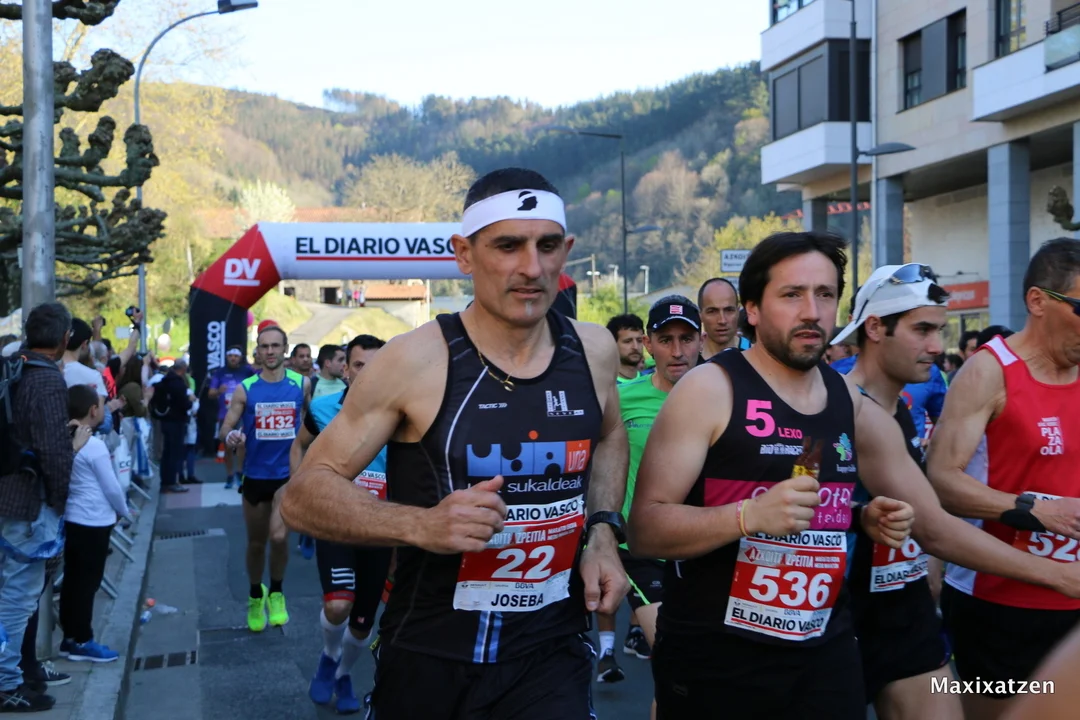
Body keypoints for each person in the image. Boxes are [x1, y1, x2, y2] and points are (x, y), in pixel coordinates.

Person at [283, 167, 630, 720]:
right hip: (432, 654)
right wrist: (419, 525)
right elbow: (302, 496)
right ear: (464, 254)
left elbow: (609, 433)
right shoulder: (414, 360)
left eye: (546, 246)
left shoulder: (593, 351)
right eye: (508, 246)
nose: (531, 268)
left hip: (550, 652)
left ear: (566, 251)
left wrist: (603, 532)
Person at [628, 231, 925, 719]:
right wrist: (747, 517)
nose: (812, 311)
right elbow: (645, 529)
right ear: (753, 310)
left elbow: (799, 496)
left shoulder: (843, 397)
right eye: (792, 295)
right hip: (719, 663)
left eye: (825, 294)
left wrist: (859, 516)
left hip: (823, 651)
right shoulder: (710, 389)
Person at [828, 264, 1080, 719]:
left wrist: (927, 570)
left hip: (904, 613)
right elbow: (936, 521)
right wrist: (1057, 572)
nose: (935, 347)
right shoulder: (840, 406)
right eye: (922, 330)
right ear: (875, 328)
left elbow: (921, 514)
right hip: (835, 618)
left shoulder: (898, 410)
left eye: (939, 331)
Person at [929, 238, 1080, 720]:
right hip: (999, 602)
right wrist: (1037, 510)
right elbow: (941, 481)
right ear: (1038, 301)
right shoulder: (989, 372)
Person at [608, 295, 704, 713]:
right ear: (649, 345)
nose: (677, 351)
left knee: (692, 674)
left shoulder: (724, 397)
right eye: (666, 340)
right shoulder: (622, 397)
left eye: (686, 339)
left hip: (702, 547)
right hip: (642, 551)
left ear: (701, 341)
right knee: (674, 655)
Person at [291, 335, 388, 714]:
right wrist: (298, 490)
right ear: (346, 370)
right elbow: (299, 445)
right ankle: (329, 654)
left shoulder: (401, 415)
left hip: (379, 529)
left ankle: (342, 671)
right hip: (335, 522)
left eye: (377, 366)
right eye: (360, 365)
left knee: (363, 623)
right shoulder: (322, 409)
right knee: (338, 605)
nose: (368, 374)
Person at [0, 302, 83, 712]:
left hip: (7, 495)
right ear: (65, 338)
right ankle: (6, 683)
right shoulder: (47, 379)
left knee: (9, 594)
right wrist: (60, 501)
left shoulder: (13, 367)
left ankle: (11, 675)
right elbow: (54, 451)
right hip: (30, 505)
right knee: (18, 599)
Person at [219, 325, 309, 632]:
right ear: (257, 351)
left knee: (279, 537)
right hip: (255, 476)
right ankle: (256, 594)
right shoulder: (246, 388)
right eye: (264, 346)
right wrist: (230, 436)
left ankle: (278, 592)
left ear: (285, 349)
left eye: (275, 346)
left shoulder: (301, 384)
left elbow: (311, 424)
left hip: (287, 476)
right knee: (256, 544)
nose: (270, 351)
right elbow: (226, 426)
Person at [59, 385, 128, 663]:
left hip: (73, 517)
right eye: (101, 404)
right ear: (93, 410)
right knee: (88, 583)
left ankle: (69, 638)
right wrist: (123, 510)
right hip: (95, 519)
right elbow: (111, 487)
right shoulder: (94, 445)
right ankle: (83, 640)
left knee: (72, 580)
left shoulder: (64, 438)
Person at [207, 346, 254, 490]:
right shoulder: (220, 372)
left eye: (236, 356)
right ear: (227, 357)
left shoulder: (247, 371)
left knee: (241, 443)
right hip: (225, 414)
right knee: (227, 445)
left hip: (243, 414)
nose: (233, 358)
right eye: (230, 356)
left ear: (240, 358)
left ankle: (239, 472)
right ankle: (229, 474)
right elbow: (210, 393)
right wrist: (218, 391)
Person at [151, 360, 192, 494]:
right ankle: (172, 482)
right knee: (174, 453)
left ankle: (165, 482)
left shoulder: (164, 381)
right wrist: (190, 402)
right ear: (183, 369)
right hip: (177, 421)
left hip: (165, 420)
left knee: (166, 453)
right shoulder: (179, 384)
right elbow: (184, 404)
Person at [697, 278, 750, 360]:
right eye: (712, 311)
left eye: (729, 310)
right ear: (700, 315)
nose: (722, 320)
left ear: (738, 312)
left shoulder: (756, 356)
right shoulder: (691, 359)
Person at [607, 314, 646, 383]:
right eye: (628, 341)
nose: (635, 347)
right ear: (612, 344)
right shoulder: (603, 384)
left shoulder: (651, 382)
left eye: (639, 341)